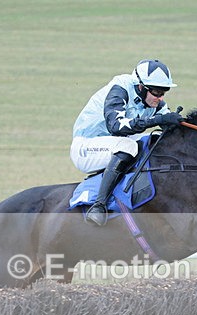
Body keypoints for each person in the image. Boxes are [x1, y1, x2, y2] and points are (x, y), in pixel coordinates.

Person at [71, 59, 183, 226]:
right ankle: (99, 206)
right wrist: (157, 119)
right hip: (86, 147)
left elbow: (169, 124)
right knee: (128, 146)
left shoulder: (153, 100)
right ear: (140, 86)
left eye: (164, 92)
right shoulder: (119, 90)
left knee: (152, 141)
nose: (160, 98)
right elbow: (116, 126)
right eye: (157, 92)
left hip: (112, 144)